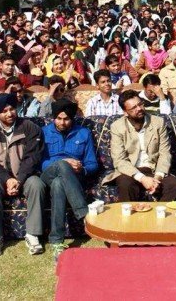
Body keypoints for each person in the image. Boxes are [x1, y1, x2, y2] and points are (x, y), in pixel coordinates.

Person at [0, 93, 45, 256]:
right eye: (4, 111)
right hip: (0, 177)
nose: (9, 113)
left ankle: (32, 235)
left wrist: (18, 179)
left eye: (12, 109)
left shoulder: (29, 127)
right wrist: (7, 179)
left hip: (24, 175)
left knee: (37, 185)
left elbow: (33, 157)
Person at [40, 99, 98, 260]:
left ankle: (57, 241)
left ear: (72, 119)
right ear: (54, 118)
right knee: (62, 166)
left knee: (59, 184)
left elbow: (92, 164)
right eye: (58, 118)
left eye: (66, 119)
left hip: (72, 178)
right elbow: (40, 162)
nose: (62, 122)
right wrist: (63, 163)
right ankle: (84, 213)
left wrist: (82, 168)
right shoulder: (44, 132)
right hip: (48, 174)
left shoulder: (83, 133)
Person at [102, 90, 176, 202]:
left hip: (154, 168)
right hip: (130, 171)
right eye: (133, 108)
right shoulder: (117, 127)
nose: (139, 109)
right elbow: (119, 160)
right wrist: (142, 178)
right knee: (126, 186)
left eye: (140, 104)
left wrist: (157, 178)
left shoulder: (158, 123)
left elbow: (165, 153)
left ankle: (160, 216)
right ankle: (130, 219)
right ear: (125, 112)